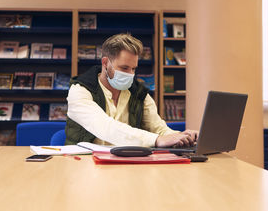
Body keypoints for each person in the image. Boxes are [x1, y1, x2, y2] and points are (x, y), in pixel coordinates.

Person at [65, 33, 198, 147]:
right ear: (105, 63)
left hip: (127, 165)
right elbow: (105, 127)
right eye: (124, 68)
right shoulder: (80, 91)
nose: (130, 74)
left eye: (133, 69)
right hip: (84, 165)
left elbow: (160, 130)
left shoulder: (140, 94)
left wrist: (183, 137)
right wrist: (156, 139)